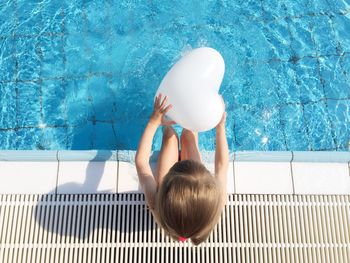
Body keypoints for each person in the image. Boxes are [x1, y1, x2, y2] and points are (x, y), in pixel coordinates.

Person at [135, 93, 228, 245]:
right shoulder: (216, 200)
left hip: (168, 197)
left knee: (171, 137)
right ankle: (190, 123)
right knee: (189, 134)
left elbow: (141, 163)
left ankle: (167, 128)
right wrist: (220, 127)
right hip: (173, 197)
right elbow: (222, 165)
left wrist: (154, 122)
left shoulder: (156, 202)